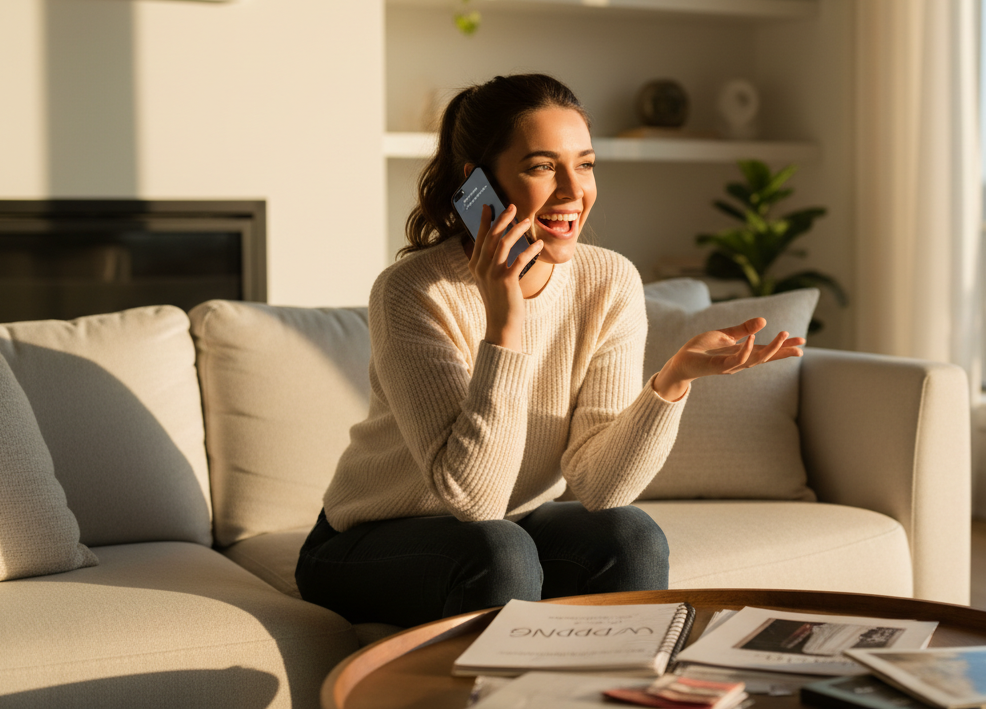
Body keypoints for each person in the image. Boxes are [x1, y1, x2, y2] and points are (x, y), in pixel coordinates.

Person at [295, 73, 805, 627]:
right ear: (478, 183)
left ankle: (626, 677)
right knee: (499, 551)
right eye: (542, 166)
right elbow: (473, 500)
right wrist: (505, 323)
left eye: (584, 164)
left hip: (510, 525)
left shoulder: (609, 281)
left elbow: (601, 488)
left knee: (631, 536)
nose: (572, 191)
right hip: (369, 541)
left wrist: (671, 382)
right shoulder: (414, 291)